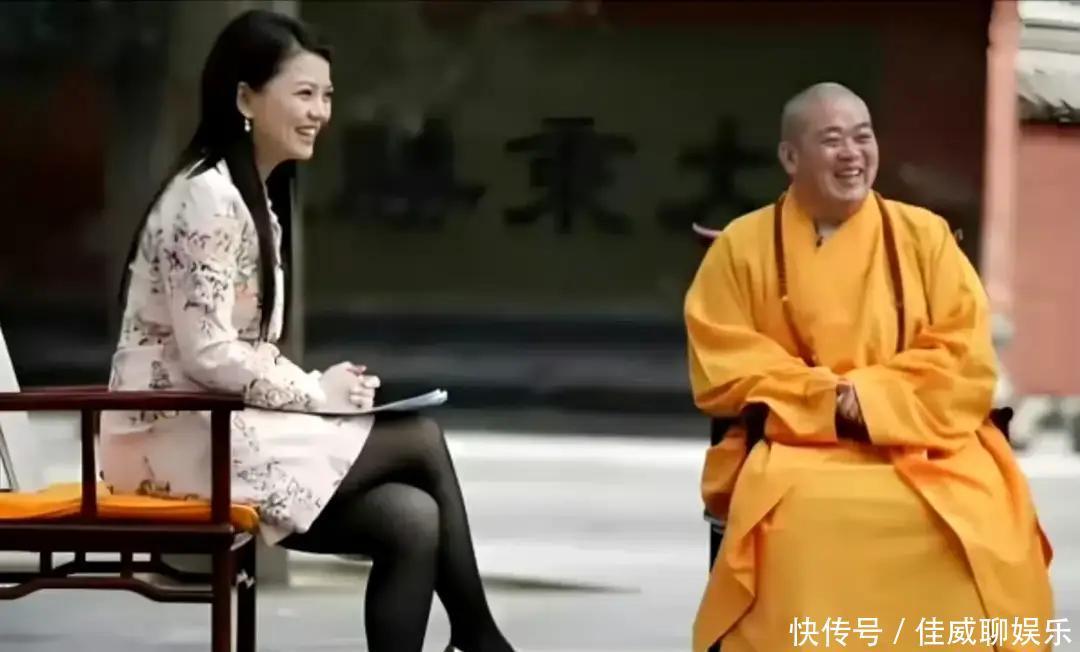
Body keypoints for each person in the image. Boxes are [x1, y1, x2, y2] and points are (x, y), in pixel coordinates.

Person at [99, 10, 515, 652]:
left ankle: (477, 638)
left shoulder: (250, 198)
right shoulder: (206, 197)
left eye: (326, 95)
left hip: (216, 431)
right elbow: (210, 352)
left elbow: (246, 350)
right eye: (304, 93)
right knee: (420, 439)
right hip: (172, 440)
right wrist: (314, 394)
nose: (320, 111)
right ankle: (481, 638)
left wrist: (319, 387)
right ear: (245, 99)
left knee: (412, 520)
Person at [684, 82, 1054, 652]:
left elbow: (963, 352)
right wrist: (827, 401)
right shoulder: (743, 246)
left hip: (926, 442)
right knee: (800, 524)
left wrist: (872, 400)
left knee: (975, 524)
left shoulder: (925, 237)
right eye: (832, 140)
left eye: (863, 137)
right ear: (790, 157)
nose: (852, 154)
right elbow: (727, 357)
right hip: (801, 445)